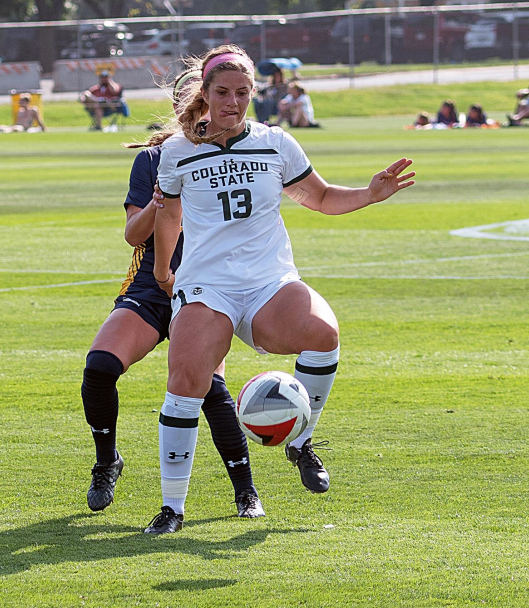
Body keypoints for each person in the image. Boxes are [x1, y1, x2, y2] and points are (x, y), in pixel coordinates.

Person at [144, 44, 415, 534]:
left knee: (324, 334)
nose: (233, 101)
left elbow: (323, 197)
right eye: (222, 92)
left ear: (254, 94)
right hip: (207, 285)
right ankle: (172, 508)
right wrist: (165, 271)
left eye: (243, 92)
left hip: (269, 280)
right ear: (204, 94)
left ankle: (299, 440)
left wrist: (371, 194)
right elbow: (169, 215)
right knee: (185, 385)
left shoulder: (276, 143)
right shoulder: (176, 152)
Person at [81, 69, 264, 520]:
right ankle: (107, 462)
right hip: (151, 287)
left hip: (206, 287)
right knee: (99, 367)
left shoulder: (237, 156)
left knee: (210, 390)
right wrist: (158, 200)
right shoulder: (153, 159)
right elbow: (132, 234)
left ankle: (246, 492)